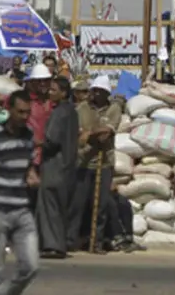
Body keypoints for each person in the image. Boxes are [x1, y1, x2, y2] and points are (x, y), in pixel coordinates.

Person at [0, 90, 40, 295]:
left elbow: (28, 164)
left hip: (21, 209)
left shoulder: (29, 136)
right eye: (20, 112)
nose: (24, 117)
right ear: (9, 110)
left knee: (31, 266)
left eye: (27, 112)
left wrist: (31, 175)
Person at [67, 76, 121, 253]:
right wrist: (90, 134)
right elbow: (77, 133)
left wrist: (89, 133)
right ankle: (71, 239)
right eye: (94, 90)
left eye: (100, 91)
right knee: (78, 203)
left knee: (100, 205)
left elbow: (107, 134)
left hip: (104, 162)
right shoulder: (82, 109)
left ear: (106, 93)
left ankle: (97, 241)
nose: (96, 94)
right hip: (84, 162)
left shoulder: (113, 109)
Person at [0, 64, 53, 167]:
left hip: (50, 158)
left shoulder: (54, 101)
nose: (42, 84)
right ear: (32, 82)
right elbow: (0, 98)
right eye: (39, 81)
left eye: (46, 80)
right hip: (28, 156)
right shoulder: (25, 101)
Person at [36, 77, 79, 259]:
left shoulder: (60, 113)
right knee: (60, 206)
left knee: (49, 206)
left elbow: (51, 141)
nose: (50, 92)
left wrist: (35, 142)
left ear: (63, 92)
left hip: (54, 164)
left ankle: (52, 245)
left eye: (54, 90)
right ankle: (60, 243)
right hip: (67, 165)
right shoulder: (72, 112)